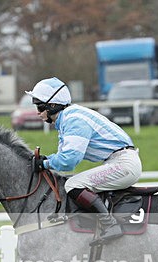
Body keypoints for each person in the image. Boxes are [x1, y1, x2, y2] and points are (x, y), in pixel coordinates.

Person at [27, 77, 142, 245]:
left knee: (73, 184)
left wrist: (44, 164)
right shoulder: (67, 119)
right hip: (118, 161)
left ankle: (110, 225)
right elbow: (63, 156)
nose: (37, 112)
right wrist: (47, 160)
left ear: (52, 105)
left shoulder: (73, 120)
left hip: (123, 164)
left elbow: (68, 161)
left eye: (39, 106)